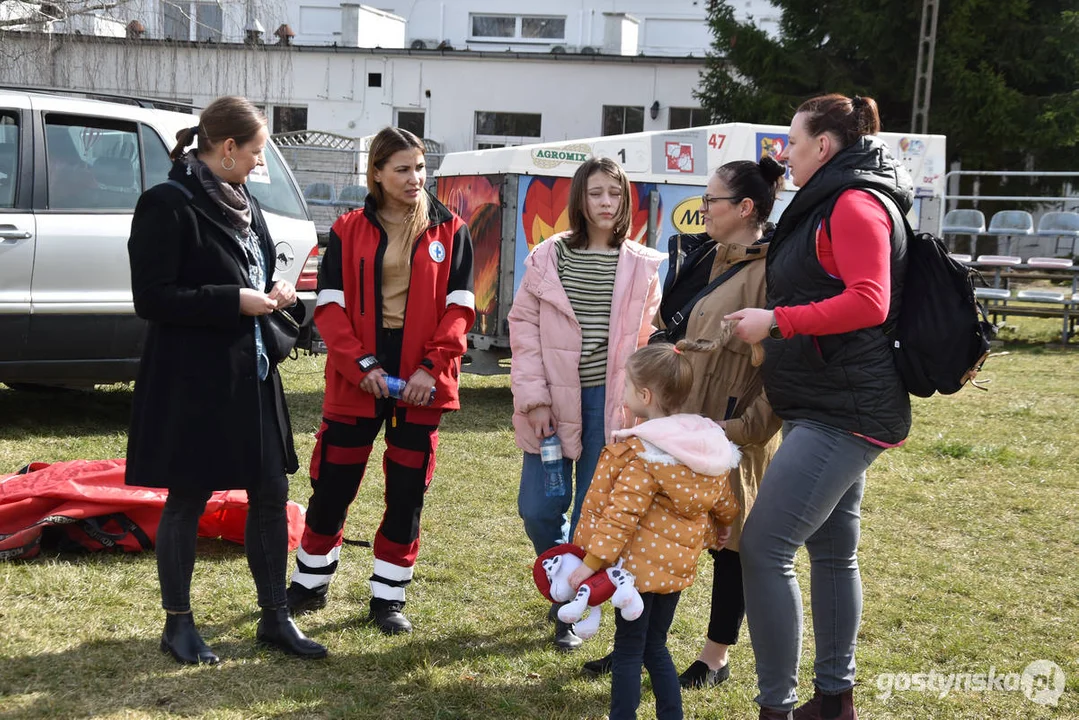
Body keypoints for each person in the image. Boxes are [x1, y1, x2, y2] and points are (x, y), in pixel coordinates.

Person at [725, 94, 913, 720]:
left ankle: (775, 707)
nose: (786, 154)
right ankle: (834, 700)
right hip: (827, 400)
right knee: (833, 552)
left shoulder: (855, 203)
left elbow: (870, 300)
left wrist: (775, 321)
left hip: (846, 410)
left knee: (764, 546)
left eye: (793, 142)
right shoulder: (832, 198)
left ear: (824, 147)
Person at [126, 95, 326, 664]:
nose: (261, 163)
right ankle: (178, 625)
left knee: (270, 491)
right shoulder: (166, 203)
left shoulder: (243, 200)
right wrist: (232, 300)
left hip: (252, 372)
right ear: (229, 147)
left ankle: (274, 618)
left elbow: (257, 268)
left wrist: (276, 293)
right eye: (258, 151)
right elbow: (152, 298)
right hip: (193, 379)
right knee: (188, 497)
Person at [582, 157, 787, 684]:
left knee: (730, 546)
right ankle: (639, 645)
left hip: (729, 433)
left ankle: (714, 657)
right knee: (653, 534)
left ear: (745, 208)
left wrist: (738, 433)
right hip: (685, 425)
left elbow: (782, 372)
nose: (703, 208)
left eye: (712, 200)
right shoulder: (706, 256)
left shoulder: (776, 271)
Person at [285, 127, 474, 636]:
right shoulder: (347, 228)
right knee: (334, 483)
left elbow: (460, 310)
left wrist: (429, 370)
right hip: (358, 377)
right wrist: (361, 366)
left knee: (408, 489)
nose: (416, 179)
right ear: (376, 173)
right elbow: (329, 307)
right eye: (402, 170)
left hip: (421, 378)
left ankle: (388, 597)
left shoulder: (451, 229)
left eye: (420, 168)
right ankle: (309, 582)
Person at [508, 156, 663, 650]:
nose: (606, 203)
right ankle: (560, 575)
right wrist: (533, 400)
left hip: (611, 406)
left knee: (592, 517)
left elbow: (647, 339)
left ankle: (570, 607)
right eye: (596, 193)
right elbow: (524, 333)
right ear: (580, 198)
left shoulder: (641, 264)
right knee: (538, 506)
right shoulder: (547, 257)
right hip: (551, 398)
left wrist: (640, 409)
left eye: (615, 194)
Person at [568, 341, 741, 720]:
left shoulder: (643, 454)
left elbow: (621, 516)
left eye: (628, 387)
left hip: (634, 576)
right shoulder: (704, 448)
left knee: (630, 650)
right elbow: (724, 501)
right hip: (675, 572)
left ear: (644, 395)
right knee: (657, 647)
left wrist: (592, 562)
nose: (625, 395)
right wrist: (722, 528)